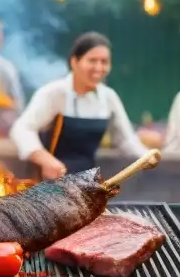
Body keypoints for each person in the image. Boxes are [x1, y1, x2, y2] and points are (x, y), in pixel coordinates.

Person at [10, 32, 147, 180]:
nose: (99, 68)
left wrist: (147, 158)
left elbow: (125, 139)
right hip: (49, 185)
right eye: (92, 61)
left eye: (104, 62)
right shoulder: (55, 93)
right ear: (74, 62)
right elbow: (22, 129)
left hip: (85, 184)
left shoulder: (108, 97)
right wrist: (45, 160)